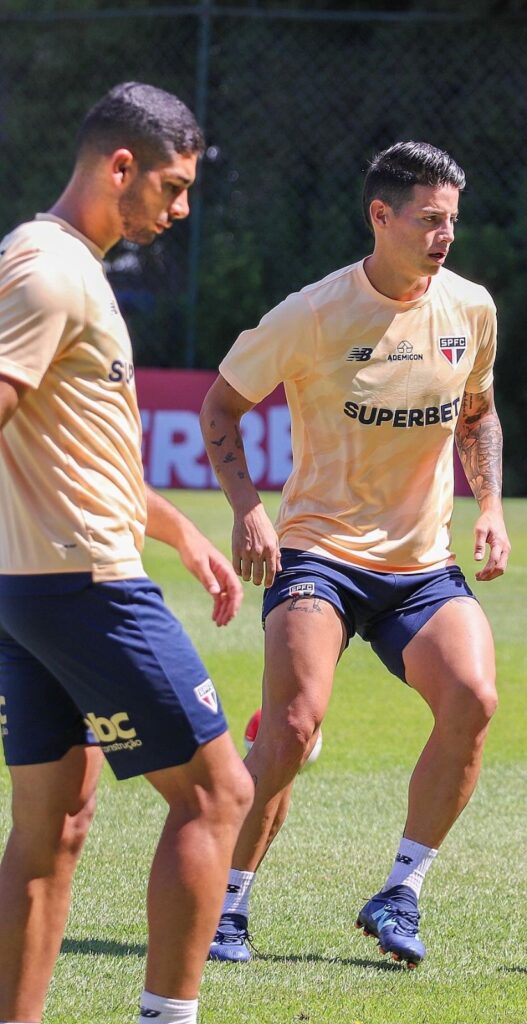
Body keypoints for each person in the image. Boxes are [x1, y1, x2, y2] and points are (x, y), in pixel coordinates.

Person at [200, 140, 511, 968]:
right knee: (295, 727)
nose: (445, 235)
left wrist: (491, 508)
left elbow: (477, 412)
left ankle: (401, 891)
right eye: (428, 220)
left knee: (474, 698)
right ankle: (227, 905)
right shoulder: (312, 314)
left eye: (452, 219)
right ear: (381, 216)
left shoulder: (470, 308)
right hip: (318, 553)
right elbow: (221, 407)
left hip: (419, 566)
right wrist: (247, 511)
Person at [0, 83, 253, 1024]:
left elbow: (74, 446)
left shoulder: (65, 267)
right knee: (218, 793)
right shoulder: (47, 271)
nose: (180, 209)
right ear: (120, 168)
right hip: (84, 588)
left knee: (54, 829)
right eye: (173, 186)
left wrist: (181, 529)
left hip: (35, 590)